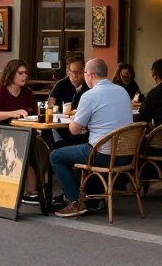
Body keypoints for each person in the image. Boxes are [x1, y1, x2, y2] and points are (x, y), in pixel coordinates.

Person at [51, 57, 133, 218]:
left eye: (84, 72)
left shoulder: (90, 95)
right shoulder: (122, 91)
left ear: (90, 74)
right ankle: (94, 197)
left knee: (56, 156)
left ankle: (76, 200)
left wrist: (73, 119)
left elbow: (74, 130)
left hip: (103, 154)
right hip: (126, 154)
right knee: (84, 147)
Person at [0, 59, 48, 204]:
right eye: (20, 73)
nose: (24, 76)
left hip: (21, 132)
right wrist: (13, 113)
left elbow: (34, 114)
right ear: (11, 75)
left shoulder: (27, 92)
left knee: (41, 147)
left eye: (25, 73)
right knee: (21, 148)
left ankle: (36, 189)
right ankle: (19, 193)